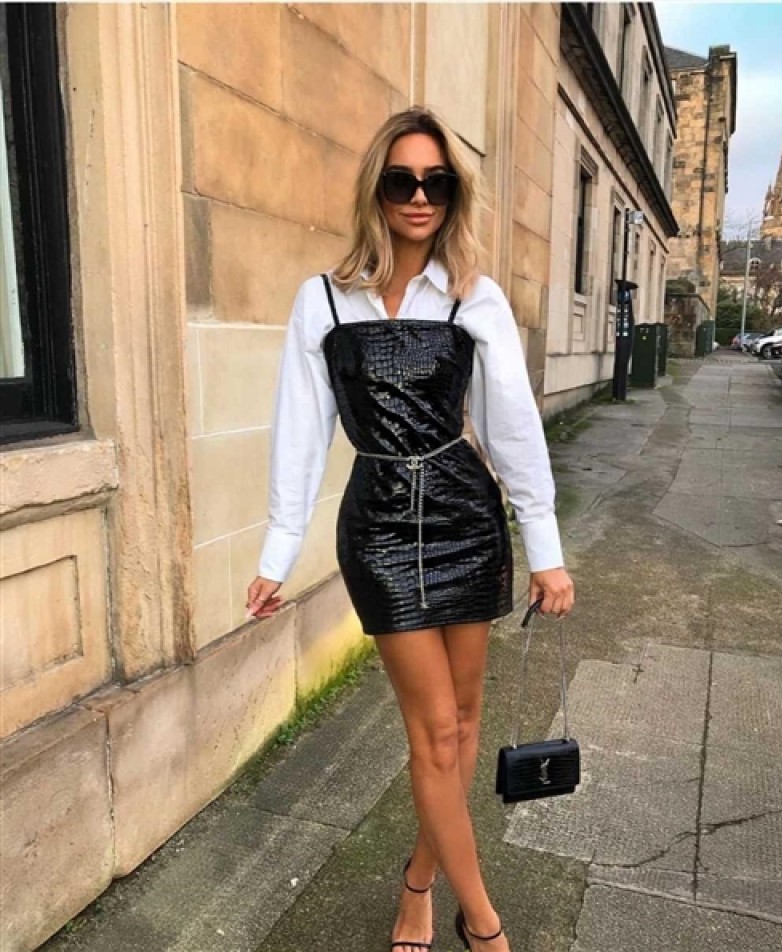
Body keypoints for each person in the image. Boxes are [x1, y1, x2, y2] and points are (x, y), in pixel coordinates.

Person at [247, 107, 574, 952]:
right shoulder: (323, 299)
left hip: (468, 519)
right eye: (402, 181)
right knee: (432, 731)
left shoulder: (475, 295)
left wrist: (545, 550)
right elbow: (299, 431)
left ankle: (419, 884)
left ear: (454, 193)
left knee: (461, 724)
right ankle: (486, 923)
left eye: (437, 182)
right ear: (378, 191)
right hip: (382, 532)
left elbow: (512, 428)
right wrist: (278, 550)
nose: (420, 197)